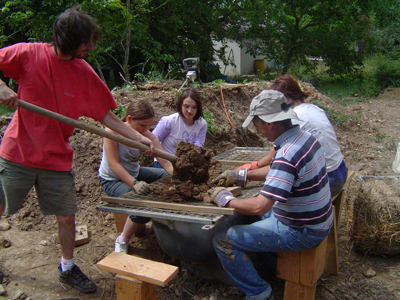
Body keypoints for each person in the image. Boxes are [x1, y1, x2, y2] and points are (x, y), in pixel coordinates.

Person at [0, 6, 157, 294]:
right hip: (18, 152)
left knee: (67, 216)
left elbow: (106, 117)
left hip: (56, 157)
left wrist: (140, 137)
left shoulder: (82, 71)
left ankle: (68, 267)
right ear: (70, 38)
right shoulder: (28, 54)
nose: (92, 46)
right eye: (88, 40)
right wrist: (1, 88)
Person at [210, 90, 333, 300]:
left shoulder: (287, 154)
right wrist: (241, 176)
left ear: (269, 124)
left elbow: (260, 206)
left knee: (222, 240)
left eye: (257, 126)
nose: (258, 131)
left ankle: (258, 292)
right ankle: (272, 267)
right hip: (314, 220)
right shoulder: (304, 138)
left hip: (302, 230)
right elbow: (279, 171)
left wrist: (225, 199)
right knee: (249, 216)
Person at [236, 74, 347, 197]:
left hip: (327, 179)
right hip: (339, 170)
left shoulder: (296, 117)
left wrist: (250, 169)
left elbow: (272, 160)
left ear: (286, 98)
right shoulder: (312, 108)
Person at [98, 100, 173, 254]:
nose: (145, 129)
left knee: (167, 177)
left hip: (135, 172)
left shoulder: (147, 136)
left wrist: (178, 175)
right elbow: (114, 165)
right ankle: (123, 239)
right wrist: (135, 183)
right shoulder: (111, 132)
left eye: (148, 126)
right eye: (142, 125)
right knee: (141, 207)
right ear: (130, 119)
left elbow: (164, 161)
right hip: (112, 179)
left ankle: (143, 224)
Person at [152, 87, 207, 167]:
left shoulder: (202, 124)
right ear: (180, 105)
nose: (189, 111)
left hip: (185, 164)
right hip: (164, 162)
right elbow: (153, 139)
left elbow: (198, 147)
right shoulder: (169, 121)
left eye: (194, 107)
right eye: (186, 106)